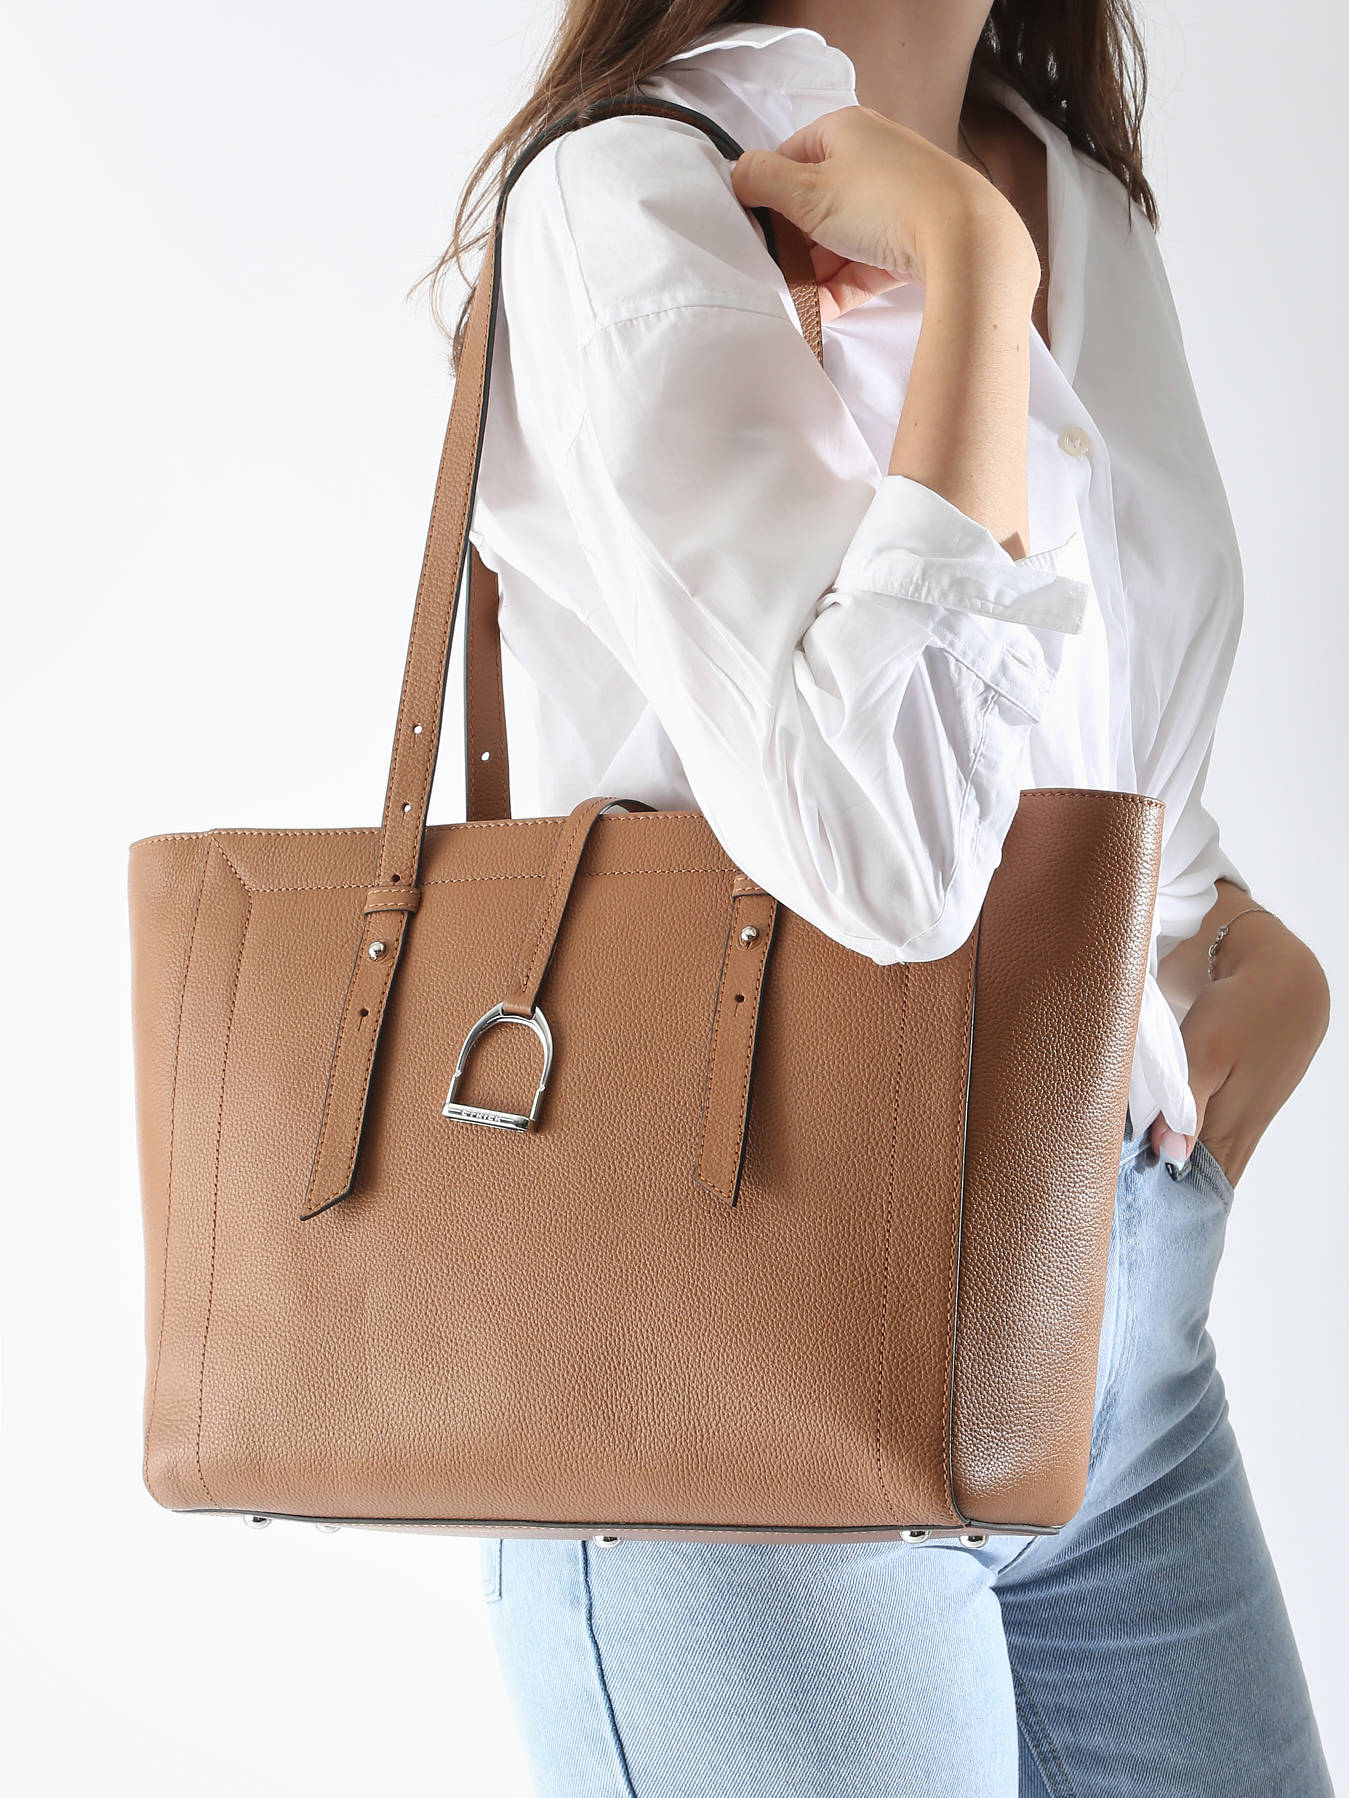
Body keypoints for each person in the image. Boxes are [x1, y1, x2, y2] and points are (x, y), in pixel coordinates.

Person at [420, 3, 1335, 1791]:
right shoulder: (631, 199)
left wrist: (1227, 942)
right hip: (740, 1379)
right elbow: (885, 853)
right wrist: (971, 287)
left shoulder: (1072, 190)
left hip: (1115, 1335)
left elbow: (1092, 731)